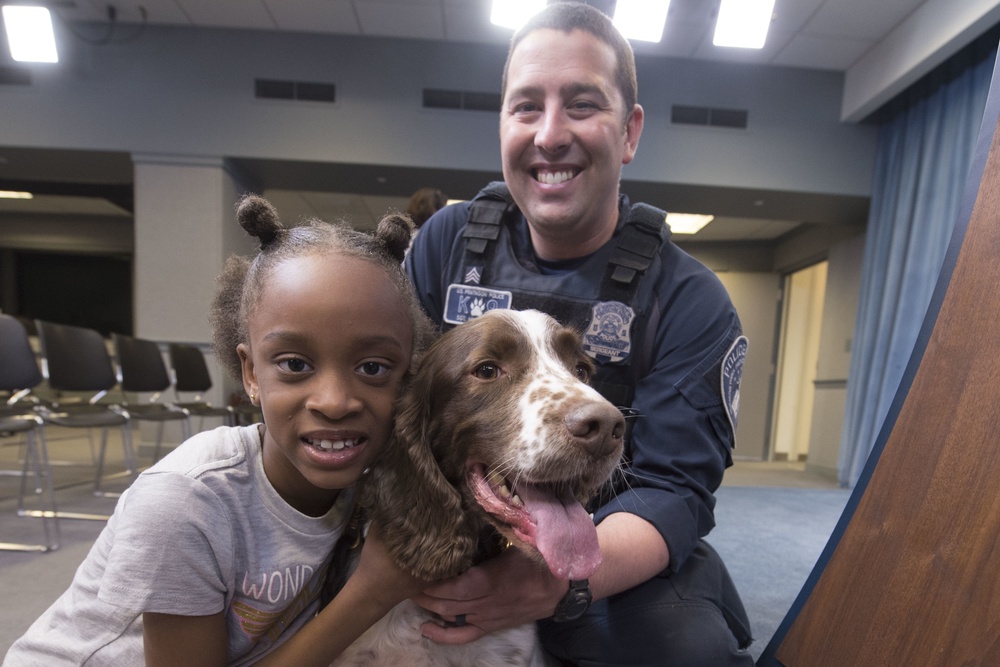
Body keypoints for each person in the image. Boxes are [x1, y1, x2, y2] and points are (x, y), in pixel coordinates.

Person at [405, 3, 754, 665]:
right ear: (503, 123)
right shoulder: (445, 245)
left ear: (629, 131)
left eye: (583, 104)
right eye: (527, 106)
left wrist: (549, 584)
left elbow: (675, 489)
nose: (550, 134)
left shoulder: (690, 298)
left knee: (688, 653)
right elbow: (395, 410)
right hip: (449, 516)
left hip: (604, 532)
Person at [4, 195, 435, 666]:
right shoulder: (185, 504)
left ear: (407, 375)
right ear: (250, 373)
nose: (334, 402)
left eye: (373, 367)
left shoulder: (372, 481)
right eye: (295, 364)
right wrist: (371, 592)